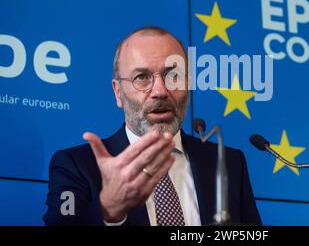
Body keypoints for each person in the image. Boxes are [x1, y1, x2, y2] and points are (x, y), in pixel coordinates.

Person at [43, 26, 261, 226]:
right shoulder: (75, 165)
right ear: (118, 92)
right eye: (142, 77)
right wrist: (109, 209)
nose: (160, 91)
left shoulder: (228, 163)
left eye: (173, 75)